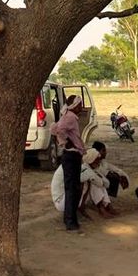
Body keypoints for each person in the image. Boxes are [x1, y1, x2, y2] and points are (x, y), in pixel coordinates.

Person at [50, 94, 86, 232]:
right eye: (79, 104)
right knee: (72, 189)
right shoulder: (70, 117)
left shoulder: (68, 116)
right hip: (71, 155)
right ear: (74, 106)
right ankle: (70, 221)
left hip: (72, 155)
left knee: (73, 188)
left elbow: (56, 128)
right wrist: (66, 141)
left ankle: (70, 219)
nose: (81, 107)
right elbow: (57, 129)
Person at [80, 148, 117, 218]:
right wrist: (100, 180)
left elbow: (106, 183)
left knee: (98, 183)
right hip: (80, 197)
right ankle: (101, 209)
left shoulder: (94, 169)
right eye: (97, 160)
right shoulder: (84, 168)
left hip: (87, 195)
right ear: (91, 160)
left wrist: (100, 179)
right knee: (94, 184)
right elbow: (99, 182)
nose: (99, 162)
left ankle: (107, 205)